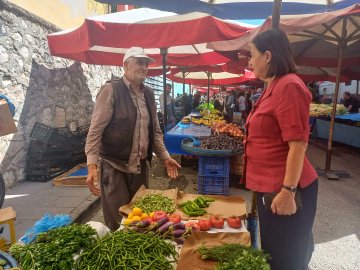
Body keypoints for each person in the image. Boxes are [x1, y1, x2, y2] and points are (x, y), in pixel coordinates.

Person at [244, 29, 318, 270]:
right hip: (270, 189)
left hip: (286, 189)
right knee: (276, 254)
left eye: (252, 54)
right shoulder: (272, 86)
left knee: (287, 260)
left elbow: (299, 143)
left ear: (267, 55)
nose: (249, 61)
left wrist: (287, 191)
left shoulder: (289, 86)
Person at [85, 47, 181, 231]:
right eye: (139, 62)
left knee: (141, 218)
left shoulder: (149, 94)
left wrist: (165, 157)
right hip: (115, 166)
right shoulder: (111, 90)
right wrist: (92, 165)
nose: (144, 67)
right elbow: (95, 131)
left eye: (146, 63)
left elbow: (155, 132)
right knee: (118, 220)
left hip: (140, 167)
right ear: (125, 65)